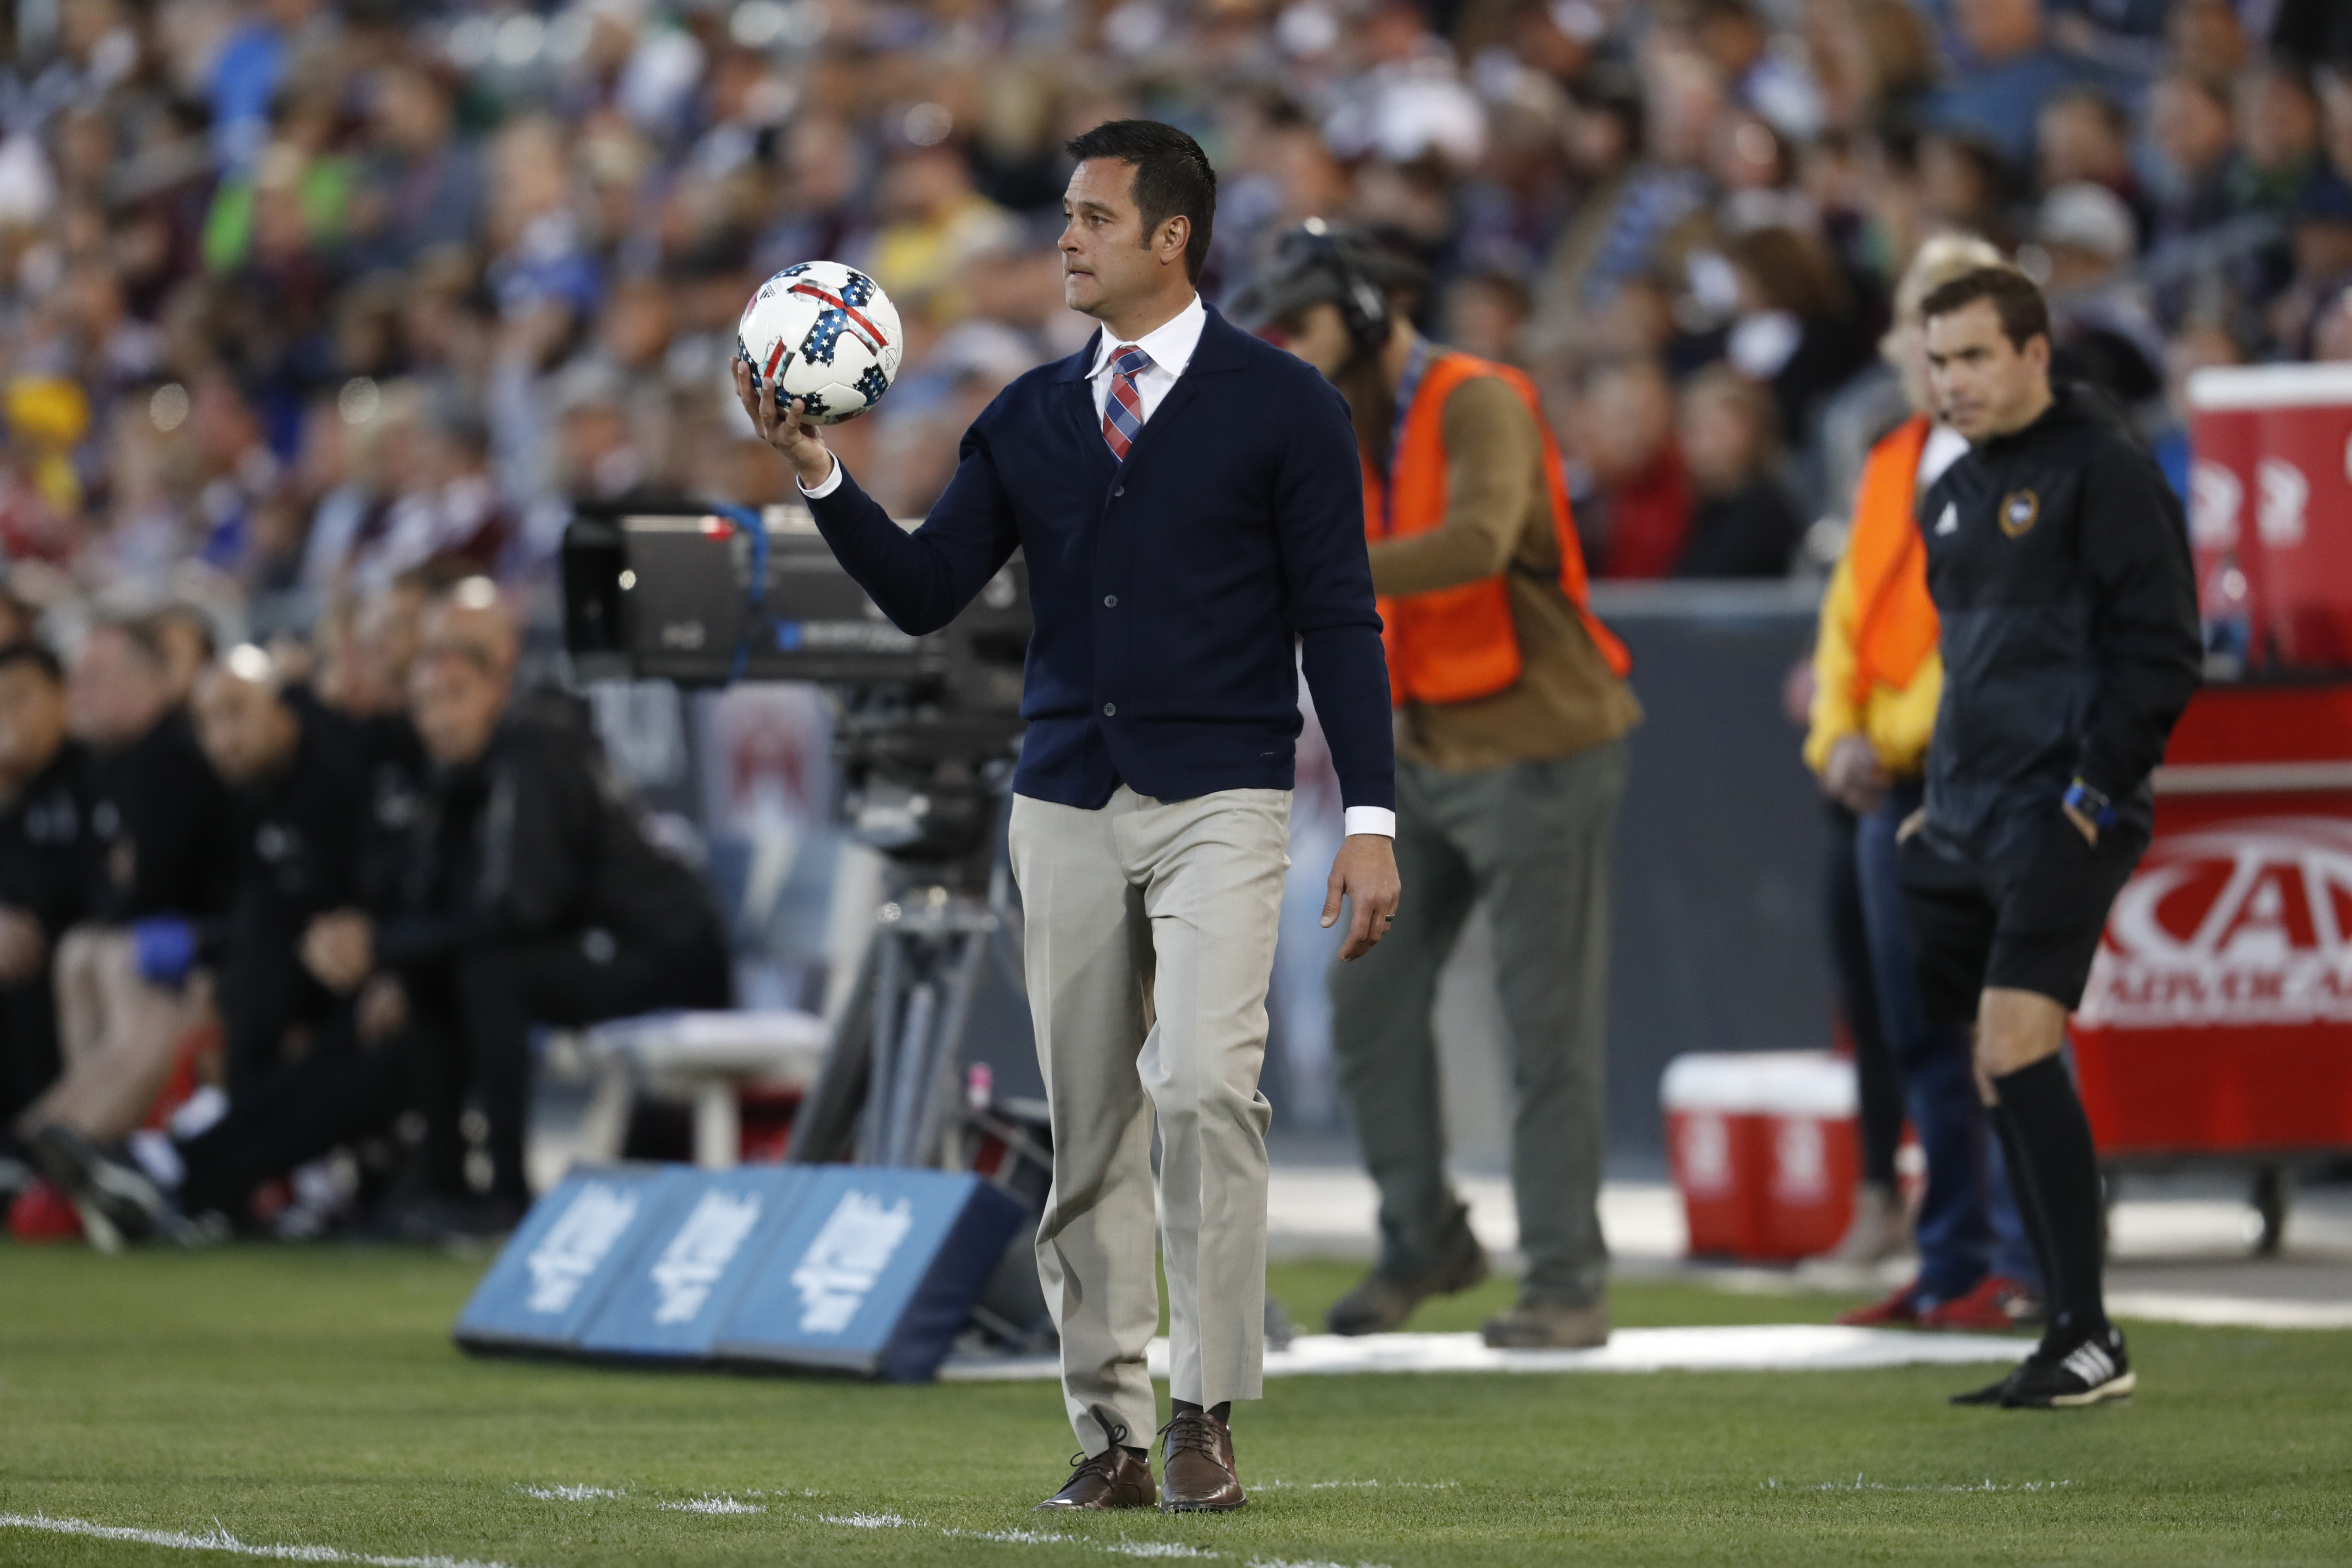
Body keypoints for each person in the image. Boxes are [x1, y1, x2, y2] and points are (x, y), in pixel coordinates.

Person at [734, 121, 1400, 1514]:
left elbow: (1339, 613)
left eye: (1095, 216)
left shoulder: (1288, 405)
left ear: (1173, 236)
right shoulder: (1030, 411)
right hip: (1065, 799)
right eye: (1067, 216)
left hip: (1224, 789)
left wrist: (1376, 812)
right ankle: (1109, 1429)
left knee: (1210, 1086)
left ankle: (1208, 1404)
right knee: (1089, 1124)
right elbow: (927, 593)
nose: (1067, 240)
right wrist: (817, 473)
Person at [1233, 220, 1638, 1349]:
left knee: (1543, 1021)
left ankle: (1566, 1278)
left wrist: (1306, 572)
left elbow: (1476, 540)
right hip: (1424, 750)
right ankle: (1427, 1238)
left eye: (1306, 326)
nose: (1292, 350)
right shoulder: (1337, 418)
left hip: (1539, 747)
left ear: (1364, 313)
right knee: (1365, 1006)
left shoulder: (1477, 399)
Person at [1906, 267, 2200, 1408]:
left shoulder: (2105, 472)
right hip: (1971, 811)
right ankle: (2064, 1329)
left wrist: (2095, 788)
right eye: (1939, 361)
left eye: (1975, 357)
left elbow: (2163, 647)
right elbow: (1972, 666)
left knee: (2020, 1045)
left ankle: (2088, 1332)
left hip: (2061, 808)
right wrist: (1942, 791)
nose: (1954, 382)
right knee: (1994, 1062)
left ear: (2036, 354)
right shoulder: (1957, 490)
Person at [302, 582, 732, 1236]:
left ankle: (508, 1193)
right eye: (424, 705)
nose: (439, 719)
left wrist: (384, 947)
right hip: (600, 949)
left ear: (496, 689)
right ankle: (444, 1183)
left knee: (490, 969)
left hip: (669, 957)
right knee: (441, 970)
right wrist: (390, 951)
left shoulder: (535, 752)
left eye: (454, 698)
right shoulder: (469, 769)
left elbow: (526, 909)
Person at [1805, 236, 2047, 1329]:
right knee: (1916, 1031)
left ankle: (2030, 1257)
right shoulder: (1893, 455)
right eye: (1920, 325)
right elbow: (1848, 615)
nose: (1932, 353)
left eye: (1955, 333)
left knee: (2010, 1027)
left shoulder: (2039, 458)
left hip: (1986, 778)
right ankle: (1951, 1259)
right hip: (1889, 783)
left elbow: (1990, 636)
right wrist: (1836, 738)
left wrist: (1894, 733)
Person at [0, 643, 92, 1194]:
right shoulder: (12, 790)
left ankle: (31, 1152)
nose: (8, 717)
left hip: (64, 956)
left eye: (20, 699)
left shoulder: (89, 773)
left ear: (63, 698)